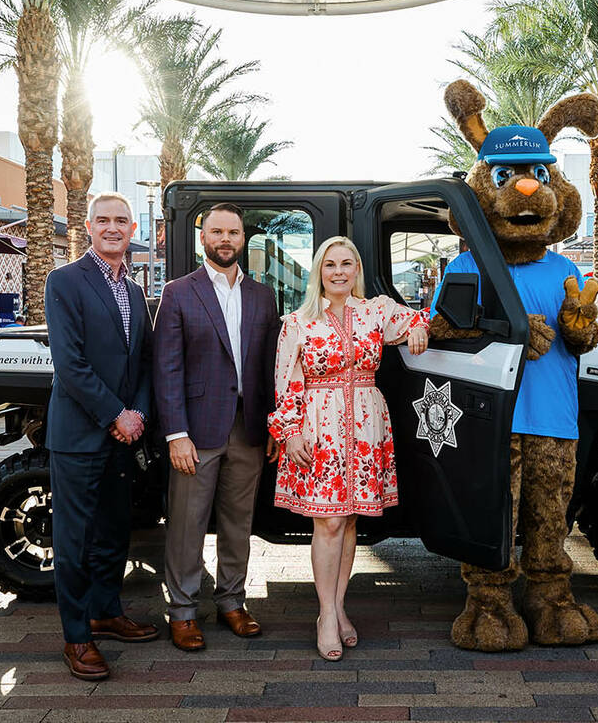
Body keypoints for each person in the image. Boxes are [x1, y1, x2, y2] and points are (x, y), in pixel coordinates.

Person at [268, 236, 429, 661]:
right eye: (330, 264)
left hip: (365, 424)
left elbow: (421, 318)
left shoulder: (376, 310)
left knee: (351, 521)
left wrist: (416, 330)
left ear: (356, 269)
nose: (338, 271)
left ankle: (338, 609)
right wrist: (291, 432)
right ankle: (325, 615)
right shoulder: (298, 321)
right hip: (318, 426)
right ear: (318, 271)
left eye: (346, 264)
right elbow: (286, 381)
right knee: (329, 523)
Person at [153, 203, 282, 652]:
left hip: (249, 428)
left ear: (243, 238)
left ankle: (232, 602)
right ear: (202, 237)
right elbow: (166, 368)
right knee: (187, 524)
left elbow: (269, 366)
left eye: (233, 232)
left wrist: (273, 426)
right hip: (195, 433)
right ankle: (183, 611)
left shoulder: (264, 296)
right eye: (216, 231)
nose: (225, 239)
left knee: (237, 523)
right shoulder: (178, 293)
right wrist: (176, 434)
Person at [44, 192, 158, 681]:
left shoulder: (133, 291)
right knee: (74, 540)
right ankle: (77, 637)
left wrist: (139, 416)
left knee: (114, 530)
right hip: (78, 435)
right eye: (104, 220)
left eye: (122, 221)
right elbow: (70, 364)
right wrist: (115, 413)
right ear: (88, 227)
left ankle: (105, 612)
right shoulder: (64, 281)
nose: (113, 228)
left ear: (132, 229)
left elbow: (145, 363)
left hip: (122, 437)